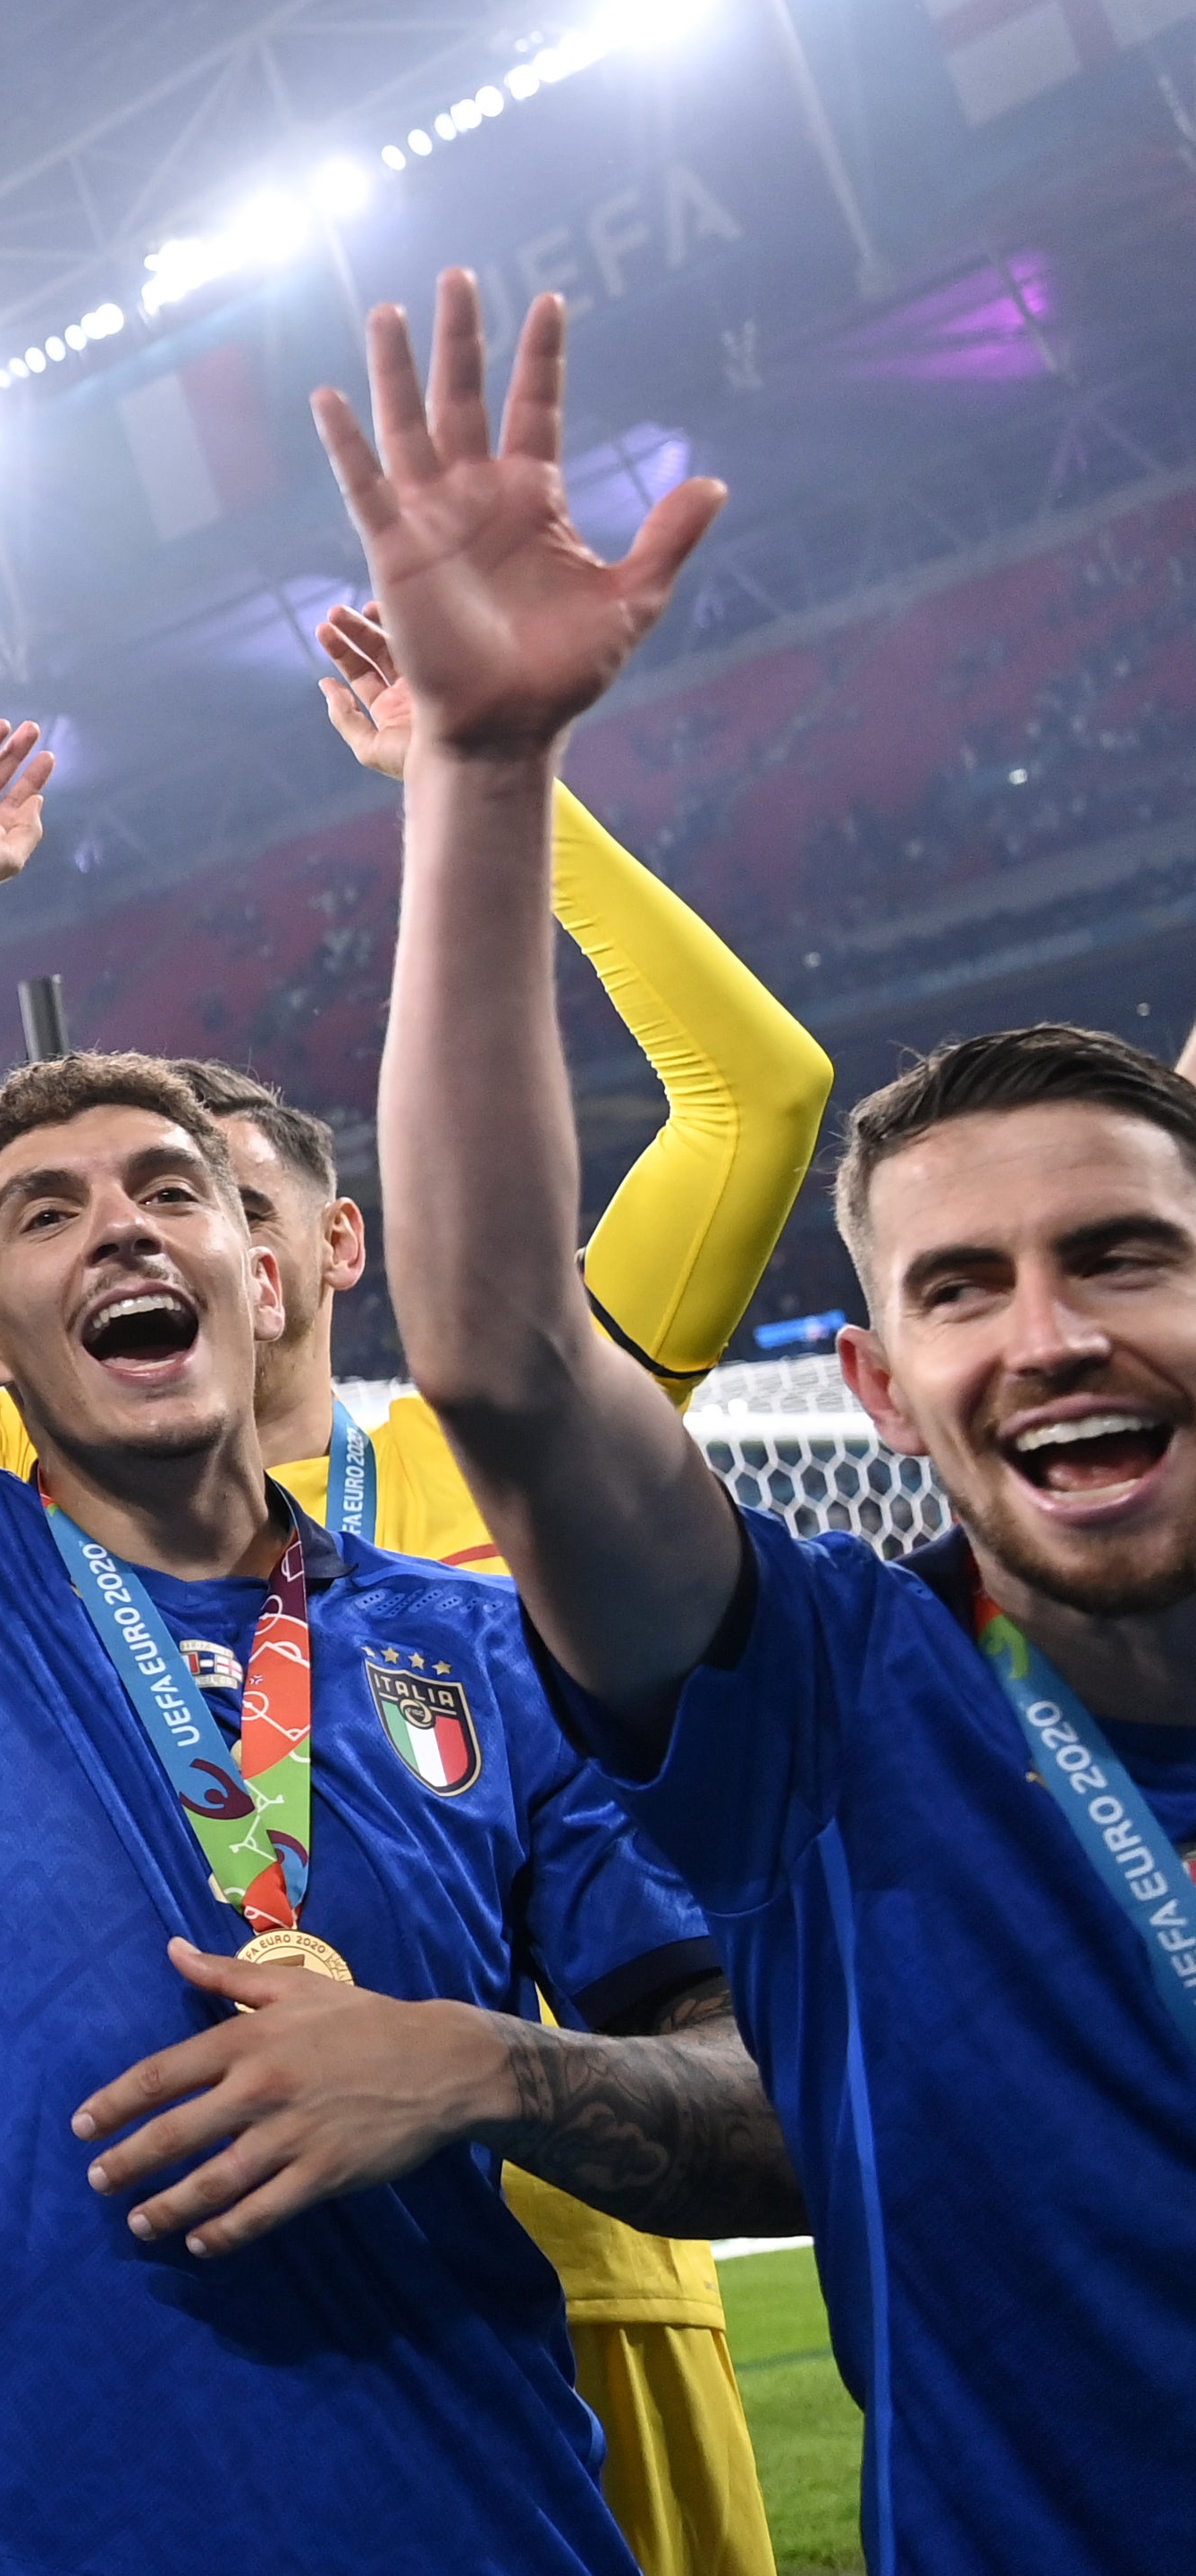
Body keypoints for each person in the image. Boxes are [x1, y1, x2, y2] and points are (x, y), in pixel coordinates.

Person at [0, 661, 803, 2576]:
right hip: (28, 2528)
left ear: (265, 1273)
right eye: (41, 1212)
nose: (118, 1225)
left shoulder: (474, 1643)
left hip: (482, 2515)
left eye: (170, 1186)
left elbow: (771, 2103)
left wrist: (479, 2066)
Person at [329, 269, 1196, 2576]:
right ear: (887, 1393)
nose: (1054, 1334)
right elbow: (507, 1360)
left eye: (1123, 1255)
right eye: (962, 1289)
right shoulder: (826, 1701)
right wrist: (486, 778)